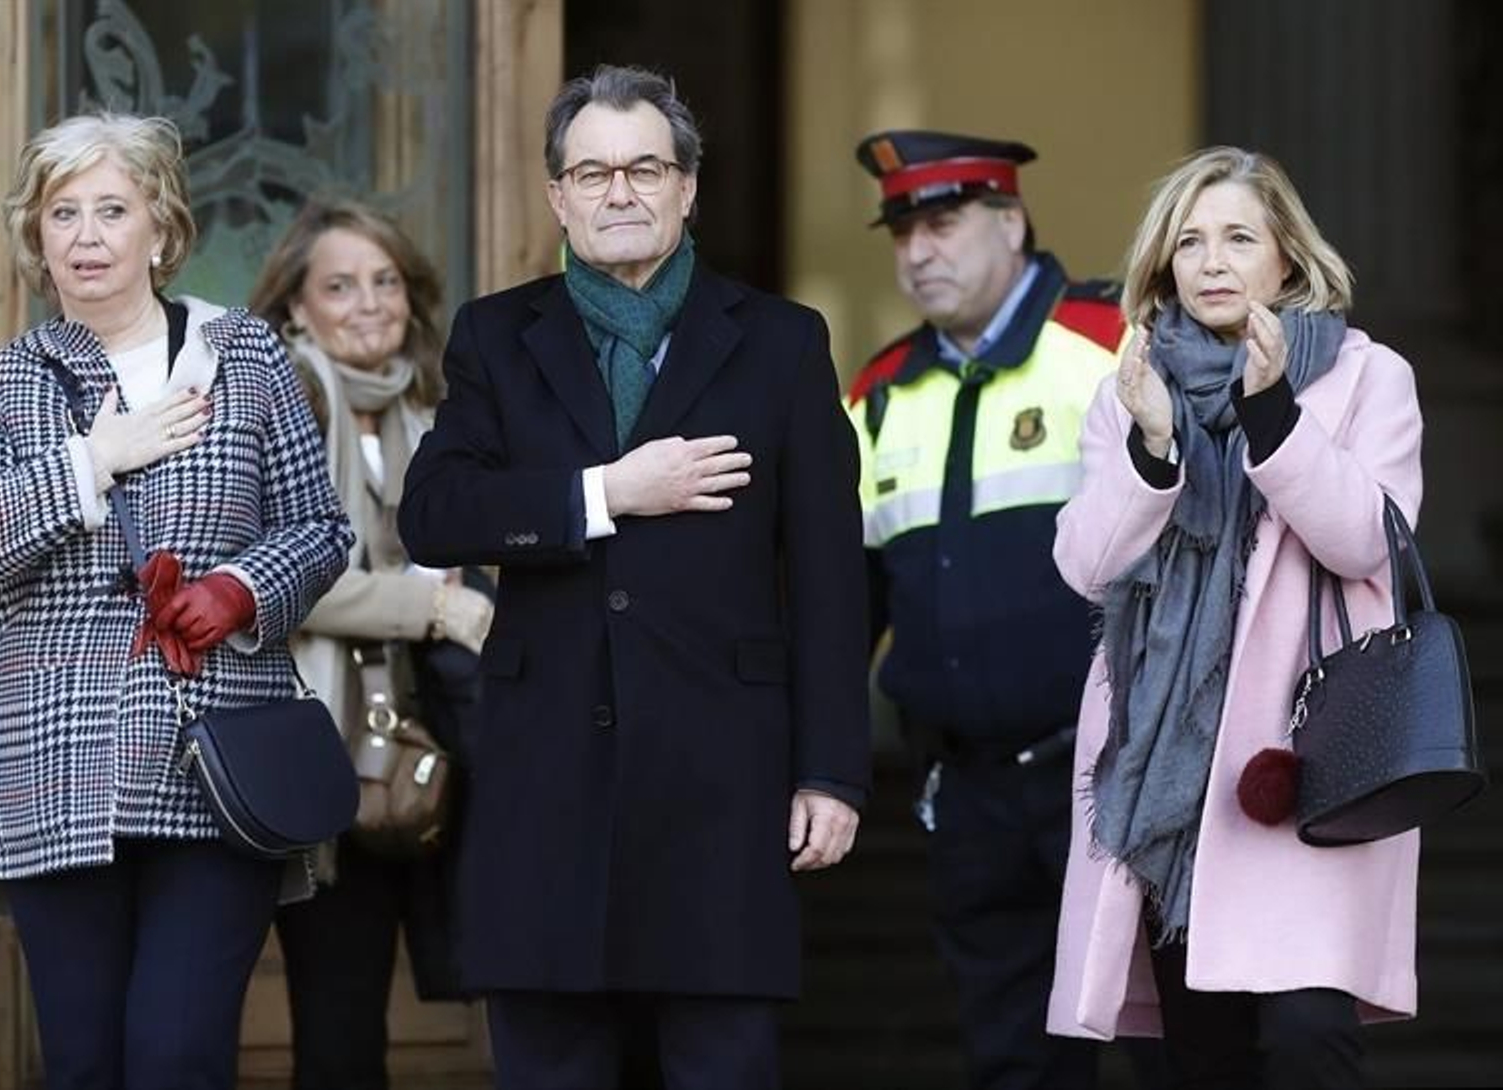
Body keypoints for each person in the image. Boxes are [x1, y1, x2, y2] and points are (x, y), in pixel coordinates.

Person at [397, 64, 871, 1090]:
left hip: (723, 782)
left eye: (645, 169)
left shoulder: (782, 342)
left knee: (721, 1065)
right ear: (557, 196)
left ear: (686, 188)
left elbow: (831, 577)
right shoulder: (495, 335)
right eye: (593, 173)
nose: (620, 192)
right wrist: (604, 493)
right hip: (545, 780)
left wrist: (831, 773)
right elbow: (434, 516)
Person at [0, 113, 352, 1090]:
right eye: (61, 213)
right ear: (36, 240)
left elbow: (321, 529)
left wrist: (240, 589)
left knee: (176, 1055)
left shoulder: (245, 357)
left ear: (160, 228)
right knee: (84, 1064)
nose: (86, 235)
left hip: (215, 761)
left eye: (111, 210)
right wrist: (90, 461)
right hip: (58, 767)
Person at [1046, 146, 1423, 1089]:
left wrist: (1273, 416)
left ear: (1287, 257)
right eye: (1189, 242)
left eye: (1239, 238)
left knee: (1307, 1038)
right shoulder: (1131, 391)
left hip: (1308, 767)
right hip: (1175, 784)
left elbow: (1368, 544)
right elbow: (1087, 568)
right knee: (1202, 1056)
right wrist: (1154, 446)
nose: (1211, 262)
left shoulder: (1368, 378)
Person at [845, 129, 1124, 1089]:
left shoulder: (1114, 341)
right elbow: (849, 606)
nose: (917, 252)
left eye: (943, 225)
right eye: (902, 233)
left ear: (1011, 221)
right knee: (1010, 1056)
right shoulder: (879, 393)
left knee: (1176, 1047)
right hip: (966, 791)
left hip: (1118, 775)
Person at [249, 197, 494, 1090]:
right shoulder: (277, 407)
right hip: (319, 753)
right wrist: (434, 608)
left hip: (427, 748)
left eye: (385, 282)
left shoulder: (432, 412)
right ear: (296, 305)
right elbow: (287, 579)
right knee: (339, 1018)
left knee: (458, 977)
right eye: (340, 286)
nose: (369, 304)